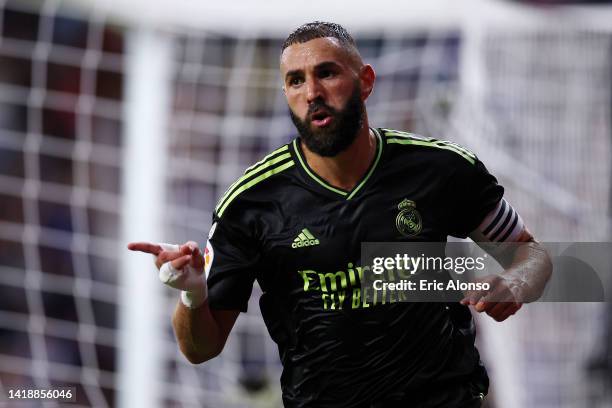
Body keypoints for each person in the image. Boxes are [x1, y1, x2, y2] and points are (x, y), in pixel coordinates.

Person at [129, 22, 552, 408]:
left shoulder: (440, 169)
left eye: (326, 73)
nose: (311, 92)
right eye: (296, 81)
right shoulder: (250, 203)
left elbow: (533, 254)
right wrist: (192, 294)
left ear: (365, 81)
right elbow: (199, 349)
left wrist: (515, 282)